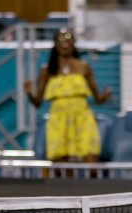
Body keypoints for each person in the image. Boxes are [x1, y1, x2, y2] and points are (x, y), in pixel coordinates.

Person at [25, 28, 111, 162]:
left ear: (73, 42)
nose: (65, 41)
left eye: (68, 37)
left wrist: (105, 96)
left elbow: (97, 99)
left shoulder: (84, 67)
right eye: (61, 38)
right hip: (58, 120)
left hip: (82, 118)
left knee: (91, 157)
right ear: (55, 43)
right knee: (60, 165)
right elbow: (38, 102)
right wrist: (29, 93)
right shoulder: (47, 70)